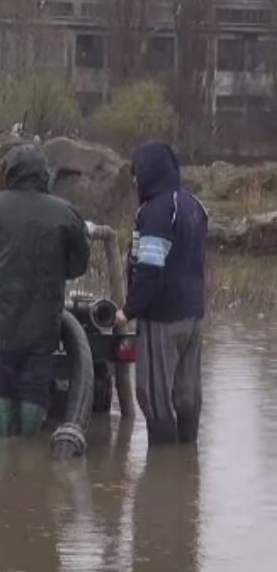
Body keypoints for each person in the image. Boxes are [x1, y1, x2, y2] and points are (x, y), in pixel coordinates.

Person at [0, 144, 90, 437]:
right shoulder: (67, 213)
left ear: (11, 174)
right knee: (34, 389)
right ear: (44, 175)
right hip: (42, 327)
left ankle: (0, 462)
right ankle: (28, 458)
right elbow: (78, 266)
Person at [115, 142, 207, 445]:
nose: (134, 182)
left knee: (153, 396)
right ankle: (187, 461)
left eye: (136, 174)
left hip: (162, 318)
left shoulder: (156, 212)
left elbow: (150, 270)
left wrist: (128, 311)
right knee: (187, 392)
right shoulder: (193, 204)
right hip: (193, 316)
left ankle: (163, 472)